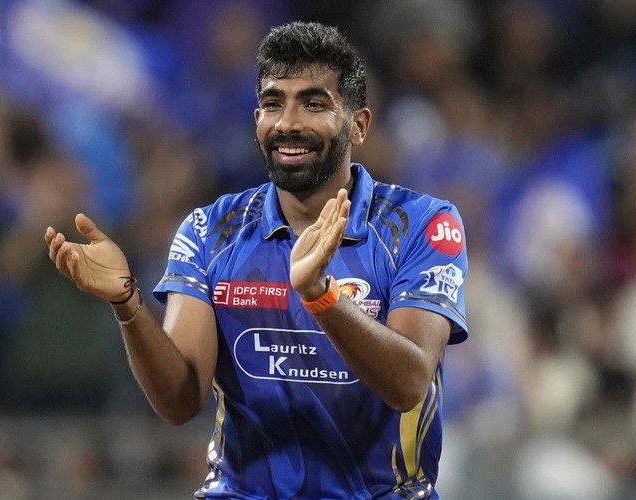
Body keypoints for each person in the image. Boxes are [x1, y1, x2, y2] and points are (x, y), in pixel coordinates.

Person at [45, 21, 469, 499]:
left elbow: (409, 383)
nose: (288, 123)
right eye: (273, 103)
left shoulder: (423, 224)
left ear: (358, 124)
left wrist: (321, 296)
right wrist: (127, 304)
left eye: (313, 104)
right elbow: (180, 402)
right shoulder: (210, 230)